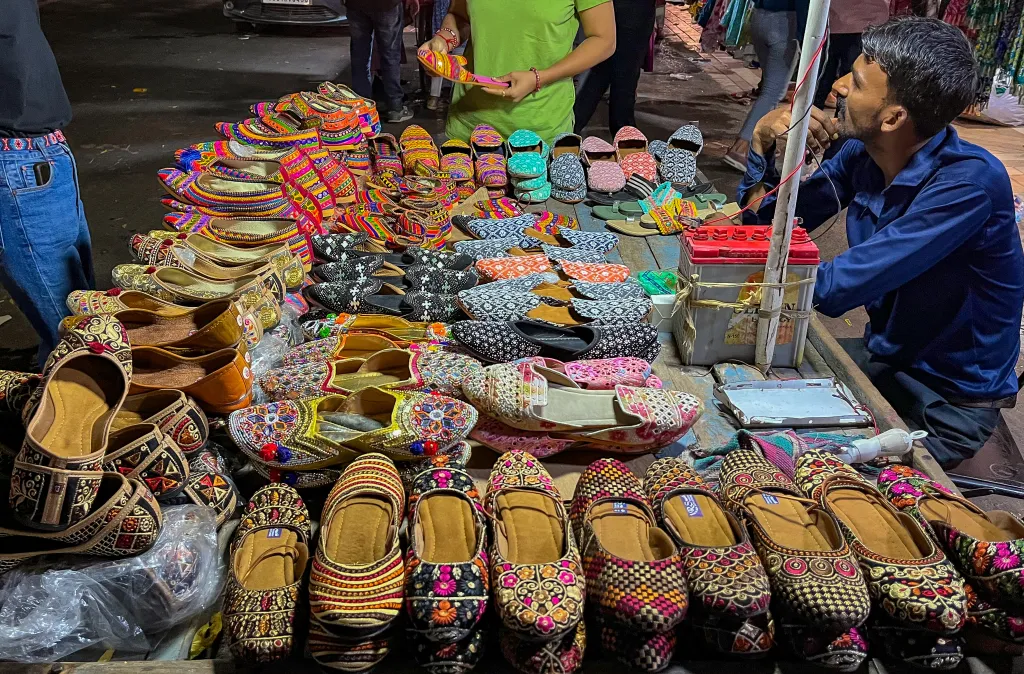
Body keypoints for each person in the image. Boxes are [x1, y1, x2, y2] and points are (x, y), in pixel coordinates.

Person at [739, 17, 1024, 469]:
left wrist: (734, 270)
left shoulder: (968, 184)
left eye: (855, 81)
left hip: (943, 403)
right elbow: (767, 226)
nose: (838, 88)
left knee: (786, 471)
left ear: (893, 117)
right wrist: (770, 150)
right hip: (884, 362)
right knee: (739, 400)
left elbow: (833, 288)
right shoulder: (863, 153)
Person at [1, 0, 94, 362]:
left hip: (42, 153)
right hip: (17, 161)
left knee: (81, 307)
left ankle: (53, 361)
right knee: (76, 332)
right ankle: (75, 396)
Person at [420, 0, 617, 144]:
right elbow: (460, 15)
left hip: (539, 131)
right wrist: (445, 40)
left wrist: (539, 78)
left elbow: (604, 39)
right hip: (469, 125)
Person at [723, 0, 807, 172]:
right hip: (784, 23)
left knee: (769, 88)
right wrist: (807, 37)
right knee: (772, 92)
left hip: (759, 17)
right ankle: (742, 149)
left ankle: (762, 146)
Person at [573, 0, 657, 136]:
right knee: (623, 75)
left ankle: (570, 129)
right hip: (632, 9)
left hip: (610, 6)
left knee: (602, 69)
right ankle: (625, 139)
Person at [812, 0, 889, 109]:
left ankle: (814, 119)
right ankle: (838, 119)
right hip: (864, 22)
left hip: (839, 22)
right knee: (853, 79)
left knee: (826, 78)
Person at [347, 0, 415, 123]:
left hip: (355, 5)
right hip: (387, 5)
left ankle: (361, 106)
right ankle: (395, 108)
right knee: (391, 54)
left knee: (359, 54)